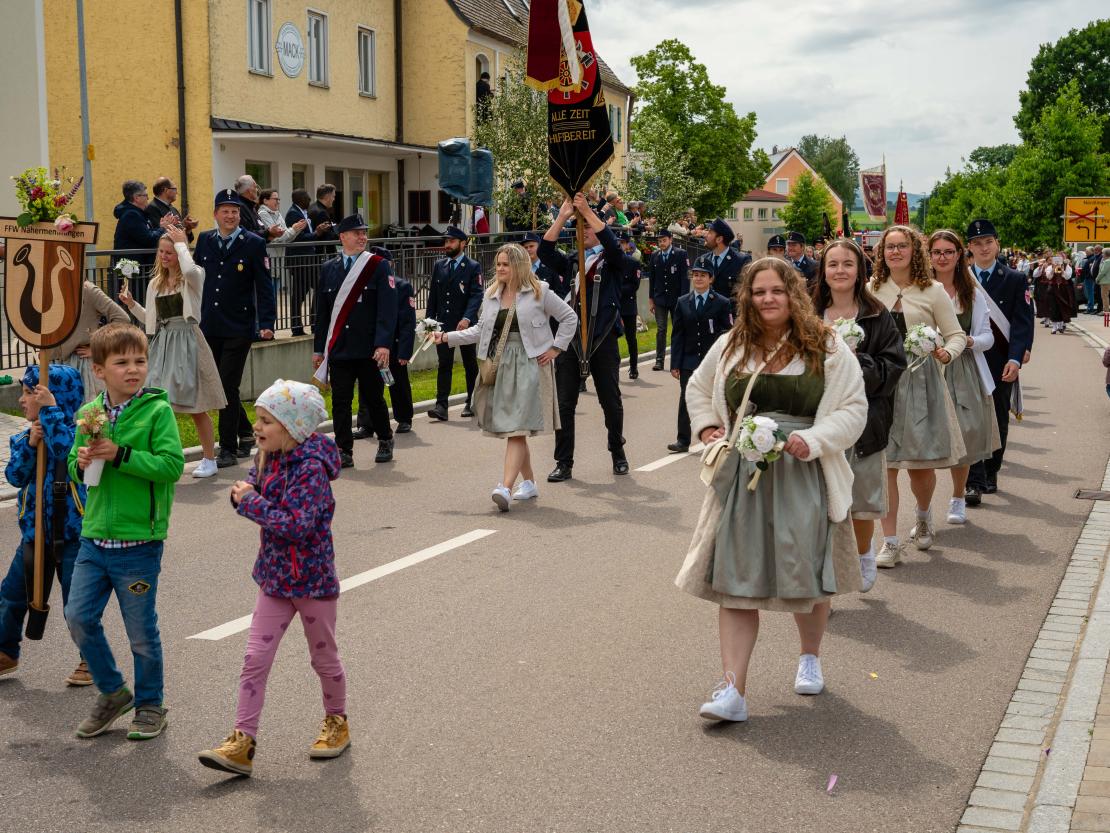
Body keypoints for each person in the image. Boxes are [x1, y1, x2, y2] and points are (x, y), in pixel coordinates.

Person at [677, 257, 866, 721]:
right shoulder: (731, 346)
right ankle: (732, 690)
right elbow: (699, 390)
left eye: (776, 291)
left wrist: (814, 440)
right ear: (747, 296)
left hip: (805, 475)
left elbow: (853, 409)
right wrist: (707, 429)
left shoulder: (828, 345)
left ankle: (809, 657)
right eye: (759, 292)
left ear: (794, 294)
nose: (767, 299)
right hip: (743, 481)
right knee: (735, 581)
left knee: (807, 575)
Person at [197, 380, 346, 776]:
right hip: (276, 580)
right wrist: (241, 496)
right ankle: (242, 742)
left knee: (323, 658)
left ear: (293, 426)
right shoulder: (269, 457)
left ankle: (337, 722)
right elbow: (251, 493)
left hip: (312, 581)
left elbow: (296, 525)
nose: (257, 427)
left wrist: (250, 501)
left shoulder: (311, 469)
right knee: (254, 659)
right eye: (259, 419)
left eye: (266, 420)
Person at [66, 322, 185, 740]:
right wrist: (80, 462)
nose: (133, 369)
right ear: (99, 370)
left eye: (140, 360)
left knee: (140, 632)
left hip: (138, 544)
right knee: (78, 616)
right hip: (94, 539)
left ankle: (151, 704)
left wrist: (122, 454)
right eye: (121, 362)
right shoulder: (88, 414)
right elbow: (71, 468)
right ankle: (114, 692)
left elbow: (171, 466)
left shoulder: (157, 411)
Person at [436, 244, 577, 510]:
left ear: (519, 266)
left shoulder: (540, 291)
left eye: (505, 264)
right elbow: (480, 330)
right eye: (498, 264)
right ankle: (530, 483)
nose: (499, 269)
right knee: (516, 427)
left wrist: (557, 347)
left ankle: (505, 486)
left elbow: (569, 317)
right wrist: (446, 337)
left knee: (516, 428)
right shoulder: (491, 295)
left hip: (530, 365)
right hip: (501, 364)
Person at [869, 226, 967, 567]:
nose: (895, 252)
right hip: (881, 381)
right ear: (881, 252)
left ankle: (924, 514)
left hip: (921, 380)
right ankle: (890, 541)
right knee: (885, 464)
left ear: (914, 251)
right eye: (889, 247)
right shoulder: (871, 289)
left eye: (902, 246)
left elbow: (956, 335)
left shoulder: (933, 290)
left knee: (920, 467)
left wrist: (946, 353)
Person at [813, 239, 906, 591]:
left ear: (859, 270)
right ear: (823, 271)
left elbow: (893, 366)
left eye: (847, 264)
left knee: (861, 502)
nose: (839, 271)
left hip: (865, 424)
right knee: (819, 504)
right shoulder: (807, 312)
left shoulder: (878, 315)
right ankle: (823, 581)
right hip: (817, 424)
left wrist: (853, 362)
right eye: (832, 264)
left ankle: (865, 552)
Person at [0, 364, 89, 685]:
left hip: (72, 535)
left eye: (29, 393)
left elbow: (67, 451)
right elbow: (14, 476)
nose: (22, 400)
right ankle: (6, 652)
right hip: (34, 534)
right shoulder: (25, 435)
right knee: (11, 596)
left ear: (54, 399)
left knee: (76, 604)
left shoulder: (76, 431)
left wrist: (51, 417)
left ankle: (90, 660)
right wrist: (30, 446)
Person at [118, 225, 227, 478]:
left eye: (170, 252)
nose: (165, 256)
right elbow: (150, 321)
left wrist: (181, 243)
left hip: (188, 341)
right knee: (155, 403)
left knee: (195, 406)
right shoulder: (155, 283)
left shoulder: (193, 276)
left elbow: (189, 269)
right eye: (162, 252)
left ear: (180, 253)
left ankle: (209, 459)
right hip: (163, 344)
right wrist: (131, 304)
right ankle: (159, 457)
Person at [539, 194, 630, 480]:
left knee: (610, 401)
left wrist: (589, 213)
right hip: (571, 341)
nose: (582, 232)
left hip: (602, 340)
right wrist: (564, 215)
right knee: (565, 404)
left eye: (587, 228)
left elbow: (614, 246)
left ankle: (617, 450)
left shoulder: (612, 261)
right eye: (579, 228)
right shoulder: (571, 263)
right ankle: (564, 462)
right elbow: (544, 251)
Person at [194, 189, 278, 468]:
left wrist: (267, 323)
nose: (230, 216)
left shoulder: (253, 243)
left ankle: (227, 447)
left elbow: (264, 286)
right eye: (225, 211)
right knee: (218, 385)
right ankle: (244, 432)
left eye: (235, 212)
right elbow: (195, 279)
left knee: (227, 385)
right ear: (216, 214)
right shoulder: (205, 240)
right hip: (210, 324)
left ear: (240, 216)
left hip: (239, 325)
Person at [313, 216, 397, 468]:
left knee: (373, 397)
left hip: (369, 347)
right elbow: (323, 313)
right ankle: (343, 448)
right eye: (356, 233)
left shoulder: (378, 266)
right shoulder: (329, 268)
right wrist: (319, 349)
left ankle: (384, 438)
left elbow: (387, 309)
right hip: (340, 347)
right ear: (342, 237)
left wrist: (383, 344)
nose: (362, 237)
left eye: (364, 233)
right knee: (341, 400)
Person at [927, 230, 998, 526]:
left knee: (965, 434)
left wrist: (968, 342)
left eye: (948, 251)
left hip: (965, 368)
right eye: (937, 252)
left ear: (959, 255)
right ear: (929, 256)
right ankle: (923, 505)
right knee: (926, 437)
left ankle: (958, 497)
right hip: (929, 367)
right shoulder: (921, 289)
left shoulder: (972, 292)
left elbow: (988, 337)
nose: (942, 257)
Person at [964, 219, 1034, 501]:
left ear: (997, 244)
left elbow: (1021, 324)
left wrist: (1016, 359)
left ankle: (991, 469)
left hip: (1000, 361)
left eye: (988, 242)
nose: (983, 248)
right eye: (977, 243)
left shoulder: (1015, 279)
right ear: (969, 248)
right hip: (968, 359)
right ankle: (974, 479)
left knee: (998, 418)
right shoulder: (960, 279)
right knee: (969, 418)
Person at [667, 261, 732, 453]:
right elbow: (677, 334)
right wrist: (675, 363)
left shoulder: (722, 302)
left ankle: (722, 433)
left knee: (717, 397)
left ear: (711, 279)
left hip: (712, 361)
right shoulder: (682, 302)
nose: (698, 278)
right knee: (686, 397)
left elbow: (728, 332)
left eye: (703, 275)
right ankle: (683, 439)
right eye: (695, 275)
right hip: (688, 359)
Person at [354, 247, 415, 437]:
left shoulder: (402, 287)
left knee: (397, 383)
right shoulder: (364, 286)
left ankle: (404, 418)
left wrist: (405, 352)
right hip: (370, 345)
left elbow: (407, 322)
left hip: (394, 345)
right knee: (368, 387)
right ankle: (366, 424)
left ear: (391, 265)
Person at [426, 226, 483, 421]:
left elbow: (476, 295)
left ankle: (471, 401)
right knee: (444, 364)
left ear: (462, 243)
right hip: (443, 324)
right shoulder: (439, 265)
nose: (447, 245)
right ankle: (441, 406)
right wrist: (429, 323)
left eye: (451, 241)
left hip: (465, 324)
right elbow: (433, 296)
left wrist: (467, 318)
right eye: (446, 241)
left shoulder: (473, 266)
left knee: (469, 364)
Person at [52, 281, 130, 404]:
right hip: (56, 365)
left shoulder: (88, 290)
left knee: (87, 417)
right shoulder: (52, 286)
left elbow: (122, 318)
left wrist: (98, 347)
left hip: (80, 364)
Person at [112, 180, 173, 296]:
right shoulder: (131, 215)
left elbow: (146, 233)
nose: (148, 199)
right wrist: (163, 228)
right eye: (146, 196)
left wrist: (160, 228)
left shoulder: (136, 213)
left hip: (135, 268)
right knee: (136, 301)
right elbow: (148, 238)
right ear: (137, 198)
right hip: (133, 270)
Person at [647, 227, 689, 372]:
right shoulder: (655, 256)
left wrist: (684, 299)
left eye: (664, 240)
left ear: (670, 240)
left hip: (676, 299)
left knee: (677, 329)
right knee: (661, 329)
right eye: (659, 241)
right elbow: (652, 279)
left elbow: (685, 279)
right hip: (660, 299)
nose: (662, 243)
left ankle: (677, 360)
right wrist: (651, 299)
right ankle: (659, 360)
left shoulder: (680, 254)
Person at [285, 188, 320, 336]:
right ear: (300, 199)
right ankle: (314, 323)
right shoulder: (294, 213)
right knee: (320, 286)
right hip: (301, 260)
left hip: (305, 260)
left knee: (299, 294)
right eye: (307, 197)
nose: (310, 200)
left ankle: (297, 327)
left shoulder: (300, 212)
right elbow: (298, 238)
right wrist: (317, 233)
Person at [694, 219, 746, 309]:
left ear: (719, 239)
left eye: (710, 232)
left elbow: (744, 293)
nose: (705, 235)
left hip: (730, 317)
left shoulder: (741, 260)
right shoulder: (702, 260)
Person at [617, 231, 643, 379]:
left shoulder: (633, 263)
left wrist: (616, 290)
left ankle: (633, 367)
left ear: (627, 245)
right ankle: (613, 367)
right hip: (613, 305)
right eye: (618, 242)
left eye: (622, 242)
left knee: (631, 338)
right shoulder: (610, 262)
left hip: (627, 305)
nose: (620, 245)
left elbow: (634, 285)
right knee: (611, 339)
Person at [144, 177, 197, 243]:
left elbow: (188, 240)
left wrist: (187, 228)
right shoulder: (152, 208)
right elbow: (157, 237)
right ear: (166, 190)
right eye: (174, 189)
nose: (177, 192)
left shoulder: (173, 209)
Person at [1033, 255, 1077, 334]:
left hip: (1064, 290)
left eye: (1060, 259)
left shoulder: (1067, 267)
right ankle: (1054, 327)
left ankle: (1060, 325)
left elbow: (1067, 277)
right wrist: (1053, 269)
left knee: (1062, 307)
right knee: (1053, 307)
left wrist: (1062, 270)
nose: (1057, 262)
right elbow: (1049, 277)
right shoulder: (1049, 267)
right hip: (1053, 289)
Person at [234, 175, 282, 241]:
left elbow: (259, 229)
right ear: (250, 191)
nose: (257, 190)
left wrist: (269, 235)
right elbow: (246, 233)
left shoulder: (251, 206)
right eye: (255, 187)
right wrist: (268, 232)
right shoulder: (240, 207)